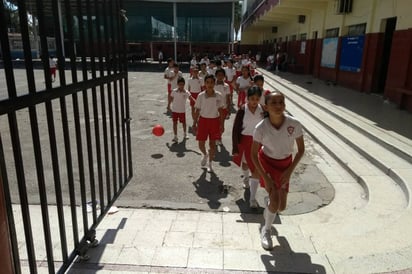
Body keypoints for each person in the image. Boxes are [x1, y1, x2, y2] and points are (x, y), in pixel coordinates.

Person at [251, 92, 305, 250]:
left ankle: (269, 205)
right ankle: (266, 230)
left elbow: (301, 150)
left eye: (281, 102)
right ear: (266, 107)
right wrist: (265, 177)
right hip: (267, 162)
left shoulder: (294, 124)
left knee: (281, 207)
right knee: (275, 200)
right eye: (273, 103)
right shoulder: (260, 127)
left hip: (285, 165)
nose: (278, 106)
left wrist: (289, 172)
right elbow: (254, 154)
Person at [232, 86, 264, 208]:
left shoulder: (263, 111)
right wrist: (235, 147)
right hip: (244, 141)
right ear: (247, 98)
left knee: (256, 169)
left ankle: (252, 199)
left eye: (257, 98)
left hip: (258, 142)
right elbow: (236, 129)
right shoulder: (242, 110)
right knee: (245, 164)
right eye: (252, 98)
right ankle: (246, 179)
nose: (254, 101)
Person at [192, 74, 225, 173]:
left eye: (211, 82)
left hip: (214, 121)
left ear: (214, 83)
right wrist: (194, 123)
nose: (209, 84)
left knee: (212, 145)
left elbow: (221, 111)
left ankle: (210, 163)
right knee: (201, 143)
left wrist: (222, 125)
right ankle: (205, 154)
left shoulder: (218, 95)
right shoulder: (201, 96)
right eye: (207, 82)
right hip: (203, 121)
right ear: (204, 84)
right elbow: (197, 110)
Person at [168, 77, 192, 143]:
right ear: (177, 84)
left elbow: (191, 98)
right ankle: (175, 136)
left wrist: (196, 103)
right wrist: (168, 106)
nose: (181, 86)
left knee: (184, 123)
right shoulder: (174, 91)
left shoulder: (186, 92)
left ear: (184, 84)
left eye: (182, 84)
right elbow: (171, 98)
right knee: (175, 123)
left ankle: (185, 134)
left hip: (182, 111)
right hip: (175, 110)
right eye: (180, 84)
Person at [214, 68, 231, 146]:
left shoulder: (226, 86)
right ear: (216, 76)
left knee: (222, 124)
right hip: (214, 108)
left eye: (222, 75)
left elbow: (228, 97)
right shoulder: (213, 84)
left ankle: (219, 136)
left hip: (223, 108)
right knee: (215, 124)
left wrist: (229, 108)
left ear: (224, 76)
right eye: (218, 75)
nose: (220, 77)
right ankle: (216, 138)